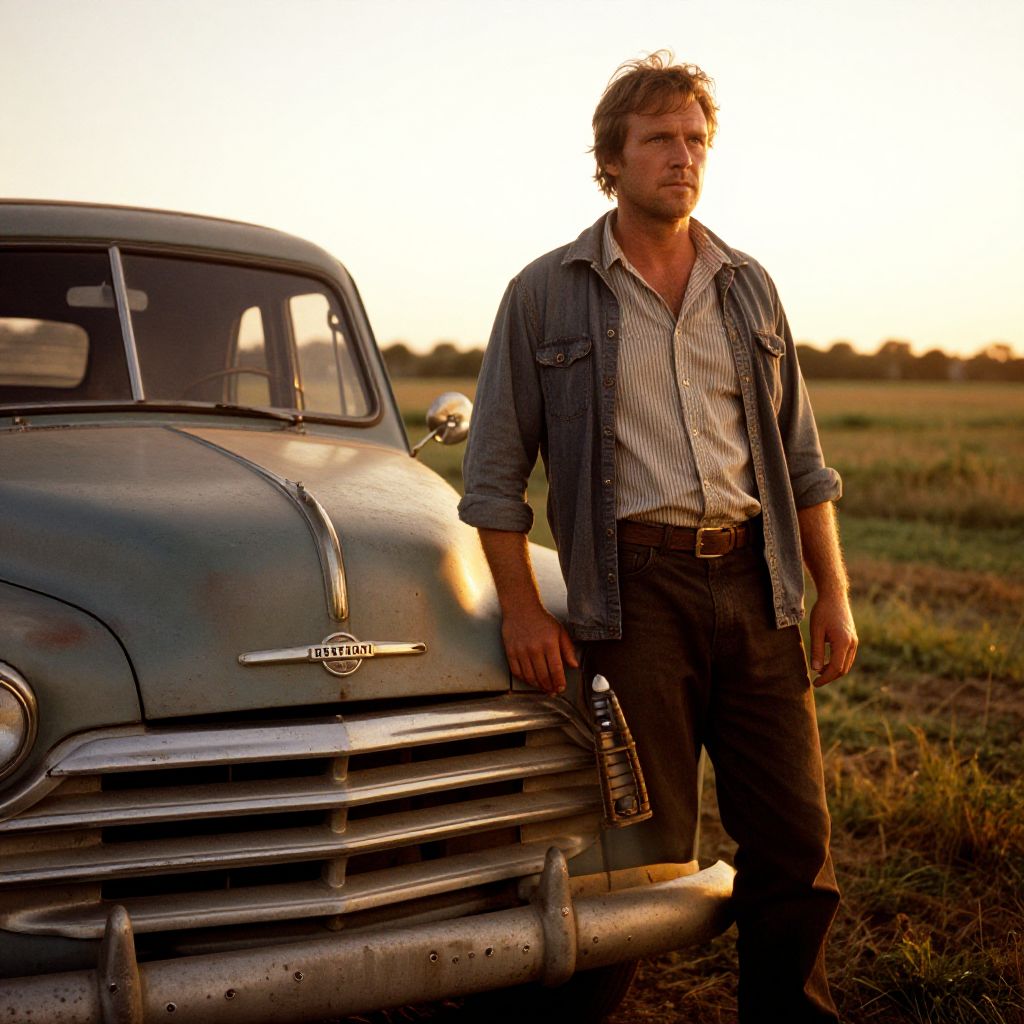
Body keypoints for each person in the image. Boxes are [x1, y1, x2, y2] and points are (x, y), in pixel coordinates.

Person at [458, 52, 857, 1023]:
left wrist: (833, 593)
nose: (683, 157)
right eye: (659, 140)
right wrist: (522, 609)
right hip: (633, 596)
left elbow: (801, 460)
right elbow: (494, 475)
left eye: (695, 139)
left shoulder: (749, 287)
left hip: (759, 585)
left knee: (795, 842)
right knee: (637, 852)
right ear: (610, 159)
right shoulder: (544, 293)